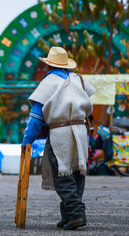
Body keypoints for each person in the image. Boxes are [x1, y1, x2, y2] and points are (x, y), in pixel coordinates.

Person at [21, 46, 95, 230]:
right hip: (80, 130)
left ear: (48, 65)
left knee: (63, 176)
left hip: (60, 132)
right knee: (77, 173)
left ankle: (77, 213)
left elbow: (36, 118)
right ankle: (68, 216)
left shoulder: (49, 82)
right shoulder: (78, 79)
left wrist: (26, 141)